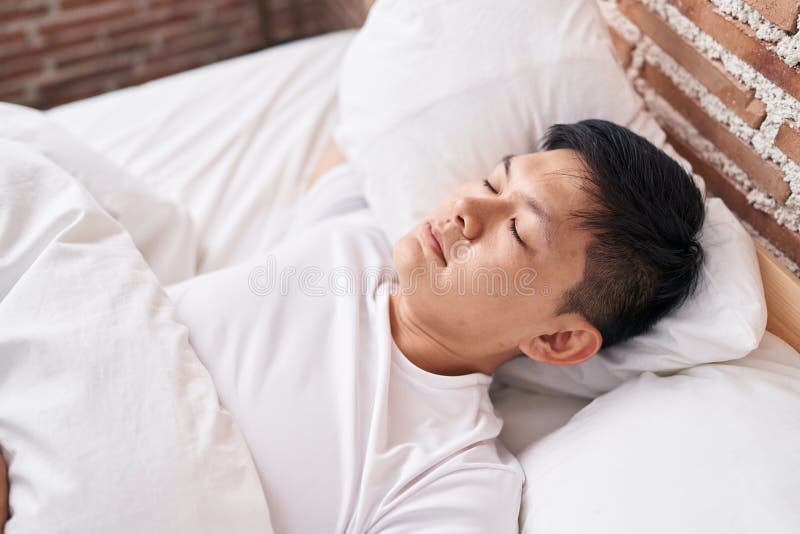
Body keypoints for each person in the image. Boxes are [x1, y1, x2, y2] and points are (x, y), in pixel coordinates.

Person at [158, 120, 704, 532]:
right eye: (493, 183)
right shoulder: (355, 234)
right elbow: (354, 120)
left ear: (558, 340)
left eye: (516, 231)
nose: (466, 205)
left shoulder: (448, 479)